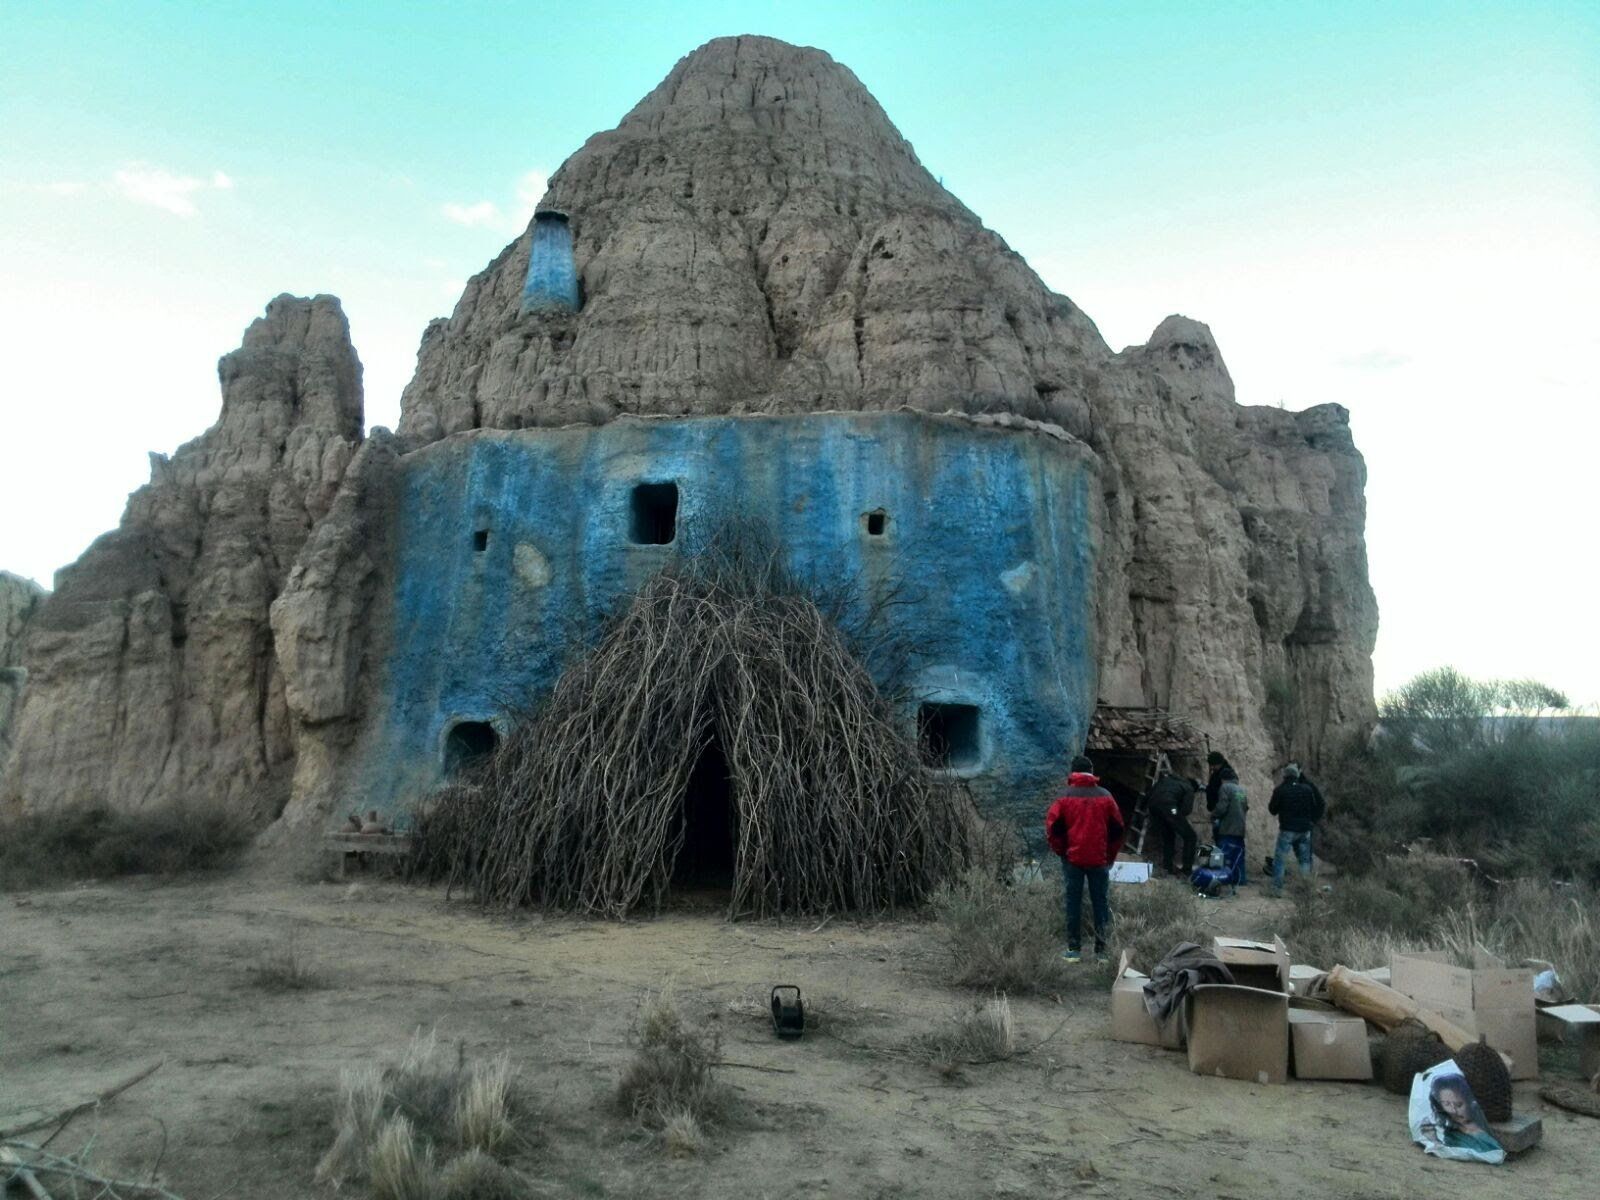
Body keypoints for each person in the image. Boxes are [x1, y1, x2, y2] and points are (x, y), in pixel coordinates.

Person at [1044, 755, 1125, 963]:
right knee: (1100, 902)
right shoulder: (1105, 796)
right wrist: (1109, 856)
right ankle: (1101, 951)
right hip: (1099, 859)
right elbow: (1117, 830)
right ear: (1091, 770)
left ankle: (1074, 949)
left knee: (1073, 902)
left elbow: (1054, 829)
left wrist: (1062, 851)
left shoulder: (1064, 797)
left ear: (1073, 772)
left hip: (1073, 859)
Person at [1268, 762, 1325, 892]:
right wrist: (1312, 821)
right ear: (1297, 775)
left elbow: (1272, 810)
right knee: (1304, 860)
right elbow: (1316, 806)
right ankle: (1305, 889)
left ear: (1285, 776)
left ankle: (1276, 889)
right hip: (1304, 830)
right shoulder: (1307, 789)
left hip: (1287, 829)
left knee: (1280, 859)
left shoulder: (1280, 790)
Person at [1423, 1074, 1501, 1156]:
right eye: (1447, 1104)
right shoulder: (1451, 1137)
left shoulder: (1482, 1121)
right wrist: (1434, 1140)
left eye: (1459, 1104)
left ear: (1469, 1101)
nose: (1454, 1111)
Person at [1144, 768, 1198, 876]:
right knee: (1191, 836)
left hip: (1153, 807)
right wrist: (1177, 814)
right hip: (1170, 807)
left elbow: (1150, 793)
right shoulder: (1189, 788)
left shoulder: (1167, 780)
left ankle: (1167, 867)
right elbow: (1186, 810)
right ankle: (1186, 870)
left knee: (1169, 836)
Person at [1211, 766, 1249, 886]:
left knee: (1222, 855)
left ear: (1223, 779)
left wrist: (1213, 815)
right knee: (1239, 856)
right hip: (1240, 828)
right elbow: (1245, 807)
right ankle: (1240, 879)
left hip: (1228, 828)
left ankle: (1219, 879)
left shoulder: (1225, 787)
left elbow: (1222, 806)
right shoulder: (1241, 790)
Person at [1204, 750, 1232, 815]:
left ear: (1219, 764)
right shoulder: (1219, 771)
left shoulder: (1226, 774)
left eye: (1213, 765)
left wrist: (1217, 811)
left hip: (1220, 809)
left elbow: (1225, 796)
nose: (1211, 767)